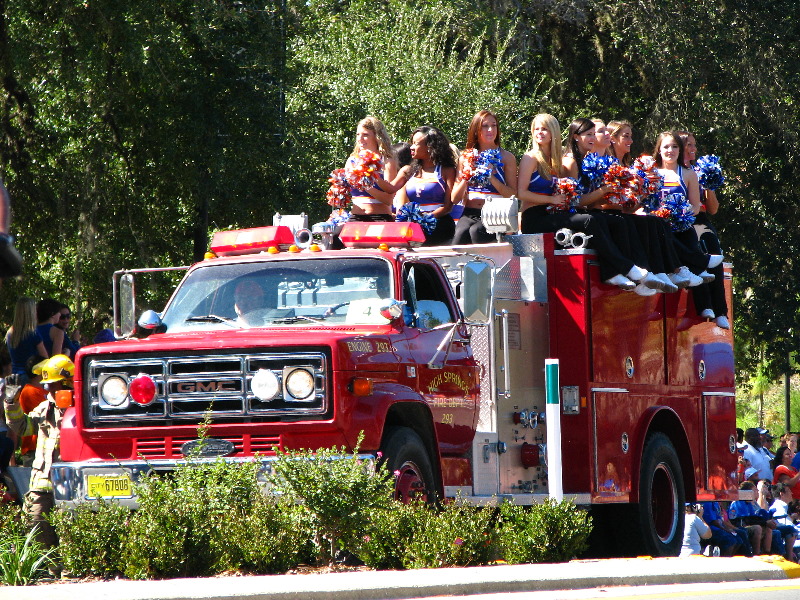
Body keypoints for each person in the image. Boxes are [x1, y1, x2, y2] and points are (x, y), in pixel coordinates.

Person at [517, 114, 648, 291]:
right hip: (534, 218)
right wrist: (552, 199)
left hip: (554, 213)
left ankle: (620, 274)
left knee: (612, 221)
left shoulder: (556, 161)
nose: (540, 132)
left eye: (545, 129)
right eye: (537, 129)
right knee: (588, 220)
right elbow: (521, 193)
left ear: (553, 132)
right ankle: (625, 268)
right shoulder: (530, 158)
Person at [562, 117, 657, 291]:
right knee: (604, 220)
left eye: (593, 134)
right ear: (576, 136)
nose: (592, 138)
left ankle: (645, 275)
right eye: (588, 134)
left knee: (629, 221)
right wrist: (605, 191)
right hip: (570, 213)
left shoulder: (587, 160)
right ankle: (623, 270)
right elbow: (574, 201)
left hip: (589, 210)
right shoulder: (571, 161)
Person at [4, 354, 75, 548]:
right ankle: (51, 573)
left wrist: (68, 408)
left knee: (69, 532)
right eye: (47, 385)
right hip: (42, 481)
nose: (48, 389)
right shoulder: (44, 408)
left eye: (53, 384)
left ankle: (69, 575)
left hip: (71, 483)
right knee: (36, 526)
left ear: (68, 382)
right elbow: (23, 428)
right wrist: (11, 403)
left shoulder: (81, 409)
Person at [652, 132, 721, 287]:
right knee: (665, 231)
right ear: (659, 150)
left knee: (689, 232)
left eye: (674, 146)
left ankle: (696, 271)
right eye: (666, 146)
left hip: (680, 221)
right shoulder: (652, 173)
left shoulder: (688, 174)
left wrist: (682, 213)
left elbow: (696, 206)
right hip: (658, 222)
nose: (670, 150)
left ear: (679, 150)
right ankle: (701, 263)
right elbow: (648, 203)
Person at [680, 131, 729, 329]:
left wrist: (709, 185)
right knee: (694, 249)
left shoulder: (701, 170)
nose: (694, 149)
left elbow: (714, 209)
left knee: (712, 246)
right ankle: (704, 306)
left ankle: (721, 312)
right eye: (689, 145)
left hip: (699, 218)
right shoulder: (674, 171)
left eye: (694, 144)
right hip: (680, 219)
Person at [452, 109, 517, 244]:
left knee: (477, 232)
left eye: (494, 125)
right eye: (485, 126)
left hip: (497, 213)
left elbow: (512, 194)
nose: (490, 130)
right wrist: (466, 176)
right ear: (476, 129)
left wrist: (491, 177)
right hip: (471, 212)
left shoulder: (506, 157)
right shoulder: (465, 157)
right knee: (460, 235)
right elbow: (454, 198)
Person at [395, 126, 457, 246]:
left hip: (439, 223)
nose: (411, 147)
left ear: (430, 147)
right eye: (411, 143)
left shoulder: (446, 170)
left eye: (416, 144)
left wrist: (425, 219)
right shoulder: (409, 171)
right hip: (414, 225)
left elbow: (448, 206)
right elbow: (389, 188)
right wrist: (370, 175)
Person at [5, 296, 47, 380]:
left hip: (14, 377)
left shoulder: (10, 333)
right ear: (31, 312)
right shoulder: (33, 333)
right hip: (30, 377)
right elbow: (45, 358)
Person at [18, 356, 49, 467]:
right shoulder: (29, 391)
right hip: (33, 448)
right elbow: (44, 415)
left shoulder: (44, 391)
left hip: (46, 447)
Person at [728, 481, 773, 555]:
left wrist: (766, 522)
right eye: (755, 490)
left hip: (747, 525)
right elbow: (746, 519)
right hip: (739, 526)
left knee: (769, 527)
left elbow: (754, 517)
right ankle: (756, 554)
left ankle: (766, 553)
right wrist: (764, 522)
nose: (757, 492)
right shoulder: (738, 502)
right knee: (757, 528)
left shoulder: (748, 503)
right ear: (747, 492)